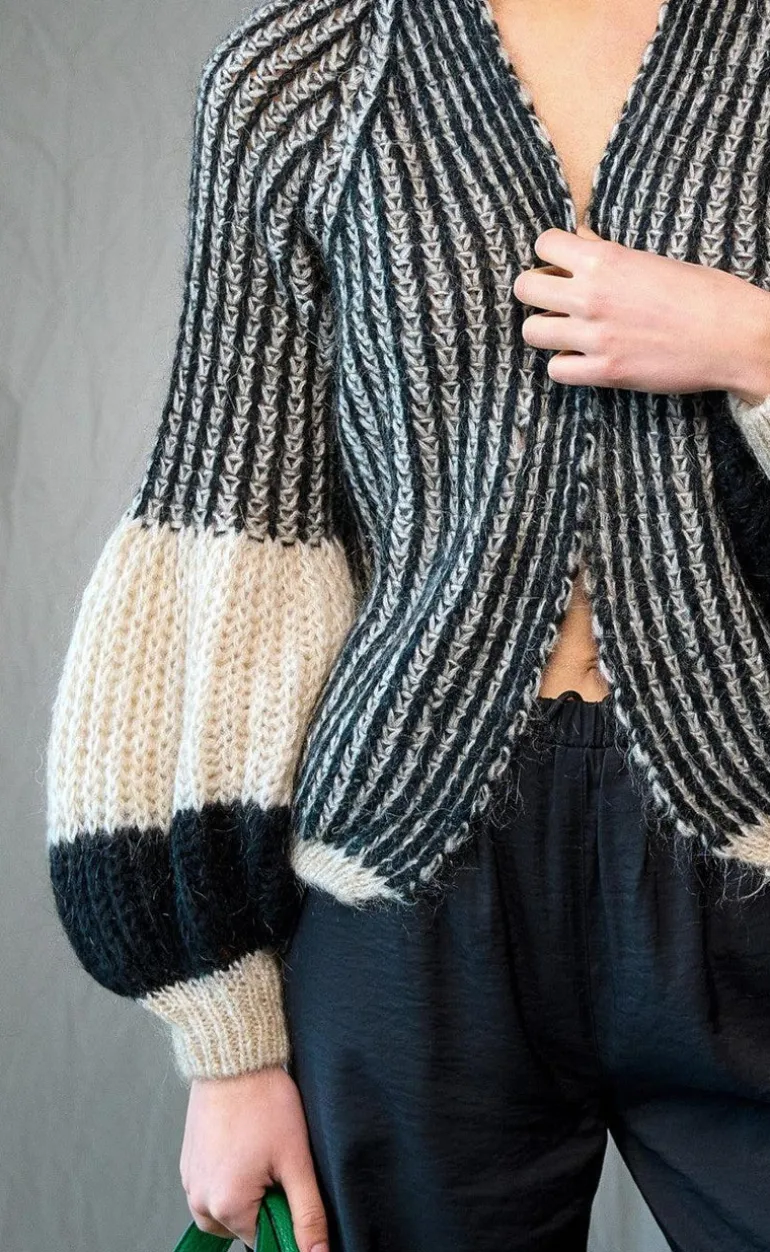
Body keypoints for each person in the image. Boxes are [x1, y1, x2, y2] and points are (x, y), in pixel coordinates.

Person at [44, 0, 770, 1248]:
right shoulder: (303, 83)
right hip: (403, 887)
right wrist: (227, 1047)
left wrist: (751, 341)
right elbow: (237, 529)